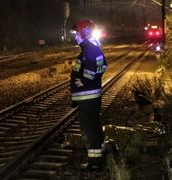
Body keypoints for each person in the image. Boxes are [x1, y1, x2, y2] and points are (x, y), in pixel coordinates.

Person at [70, 19, 107, 171]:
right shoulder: (90, 48)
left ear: (84, 33)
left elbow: (100, 66)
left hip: (88, 97)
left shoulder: (90, 49)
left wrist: (84, 80)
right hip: (88, 97)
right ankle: (100, 153)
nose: (75, 37)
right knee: (94, 126)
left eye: (77, 34)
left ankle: (95, 163)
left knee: (89, 129)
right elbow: (101, 65)